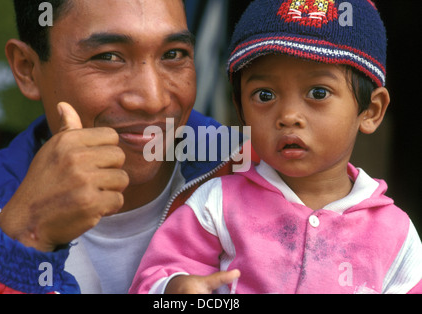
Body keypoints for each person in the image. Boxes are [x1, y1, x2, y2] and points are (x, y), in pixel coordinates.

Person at [130, 0, 422, 294]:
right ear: (239, 107)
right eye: (264, 95)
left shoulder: (396, 235)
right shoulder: (216, 204)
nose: (288, 116)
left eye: (317, 93)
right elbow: (155, 277)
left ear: (371, 110)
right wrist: (175, 289)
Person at [0, 0, 246, 294]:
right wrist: (24, 243)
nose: (153, 99)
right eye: (109, 57)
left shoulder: (262, 172)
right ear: (27, 68)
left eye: (173, 54)